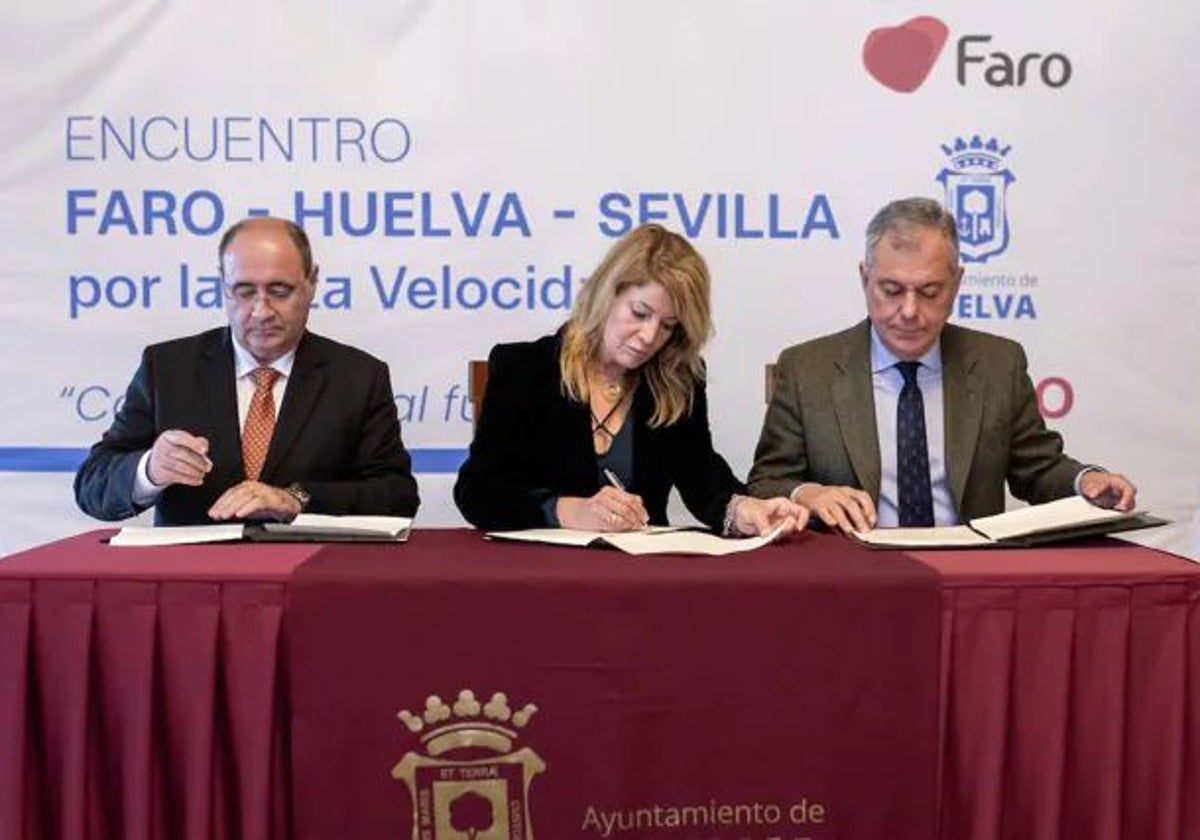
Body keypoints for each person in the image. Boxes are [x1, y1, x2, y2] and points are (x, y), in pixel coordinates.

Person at [748, 197, 1136, 533]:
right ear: (865, 279)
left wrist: (1086, 481)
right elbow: (766, 482)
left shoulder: (998, 364)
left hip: (969, 579)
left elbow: (1037, 468)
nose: (910, 312)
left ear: (957, 284)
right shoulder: (807, 369)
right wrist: (807, 493)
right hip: (854, 578)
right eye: (892, 290)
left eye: (930, 292)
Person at [455, 223, 806, 537]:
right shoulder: (525, 368)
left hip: (642, 578)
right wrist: (568, 510)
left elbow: (702, 478)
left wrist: (742, 510)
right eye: (639, 313)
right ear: (607, 295)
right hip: (544, 578)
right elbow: (478, 492)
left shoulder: (677, 378)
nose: (649, 336)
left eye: (668, 325)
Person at [74, 217, 419, 525]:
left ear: (312, 282)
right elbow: (92, 485)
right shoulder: (166, 368)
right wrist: (148, 470)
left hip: (307, 579)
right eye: (243, 292)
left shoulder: (358, 377)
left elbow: (397, 496)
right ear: (223, 285)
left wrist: (295, 500)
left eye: (279, 291)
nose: (260, 311)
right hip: (192, 583)